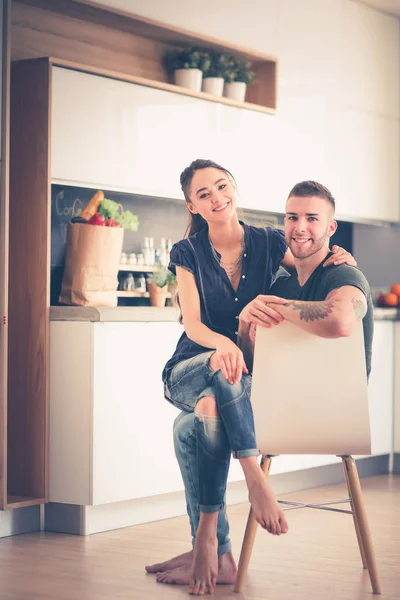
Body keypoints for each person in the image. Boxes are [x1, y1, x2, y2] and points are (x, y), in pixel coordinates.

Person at [146, 162, 356, 596]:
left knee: (202, 418)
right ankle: (254, 480)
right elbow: (192, 324)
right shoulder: (186, 252)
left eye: (222, 186)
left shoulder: (266, 241)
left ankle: (209, 546)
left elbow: (306, 255)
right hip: (190, 367)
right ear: (192, 204)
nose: (216, 197)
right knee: (225, 366)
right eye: (203, 193)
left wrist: (339, 256)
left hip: (232, 381)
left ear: (235, 188)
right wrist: (223, 344)